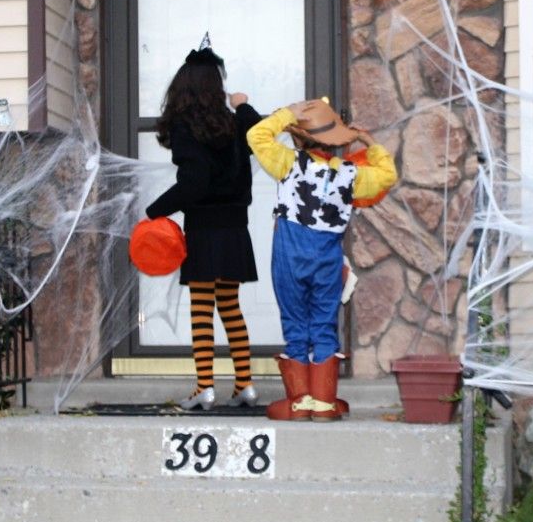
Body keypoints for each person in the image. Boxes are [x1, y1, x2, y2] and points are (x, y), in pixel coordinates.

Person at [246, 98, 397, 420]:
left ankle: (300, 401)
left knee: (295, 320)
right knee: (324, 321)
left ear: (299, 138)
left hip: (290, 255)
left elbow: (256, 136)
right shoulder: (351, 174)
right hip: (327, 257)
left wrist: (287, 115)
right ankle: (325, 401)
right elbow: (387, 175)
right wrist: (369, 142)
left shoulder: (289, 163)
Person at [145, 45, 264, 410]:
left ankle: (204, 387)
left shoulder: (186, 128)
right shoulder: (232, 122)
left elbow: (194, 183)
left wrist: (155, 211)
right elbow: (260, 133)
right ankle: (245, 384)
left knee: (201, 307)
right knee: (230, 306)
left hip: (205, 229)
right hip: (234, 228)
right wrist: (243, 104)